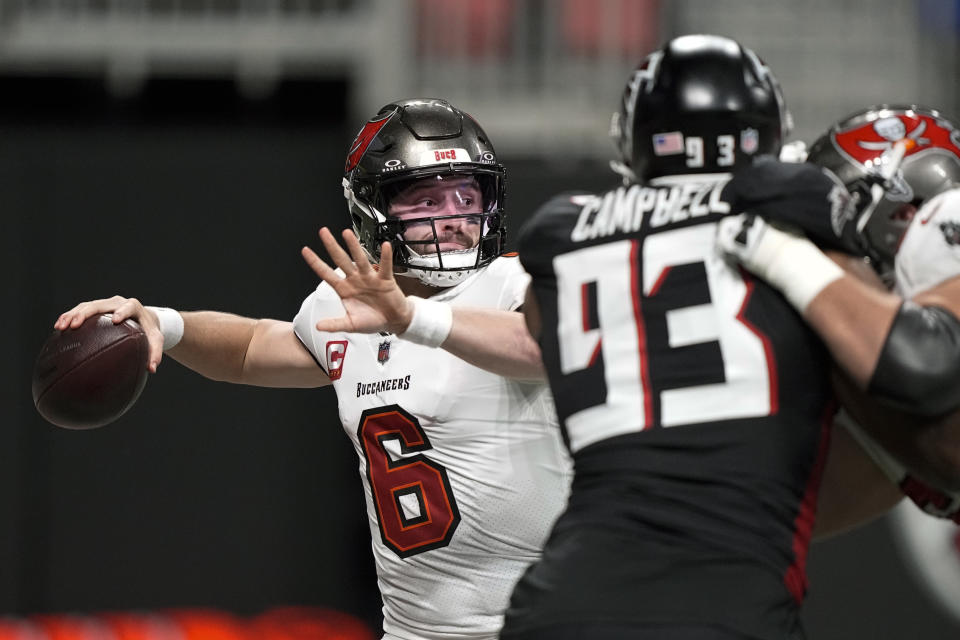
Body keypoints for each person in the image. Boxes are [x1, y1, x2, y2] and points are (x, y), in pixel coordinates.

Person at [54, 98, 572, 640]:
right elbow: (254, 348)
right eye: (427, 199)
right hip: (418, 631)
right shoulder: (347, 304)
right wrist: (164, 321)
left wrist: (410, 316)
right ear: (375, 210)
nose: (455, 218)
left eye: (468, 196)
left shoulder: (518, 285)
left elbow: (541, 349)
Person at [495, 34, 842, 640]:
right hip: (727, 604)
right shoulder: (803, 213)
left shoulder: (564, 230)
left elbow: (534, 319)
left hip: (562, 604)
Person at [717, 104, 960, 532]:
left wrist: (787, 253)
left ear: (903, 213)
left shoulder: (945, 224)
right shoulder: (893, 417)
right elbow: (752, 522)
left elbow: (924, 376)